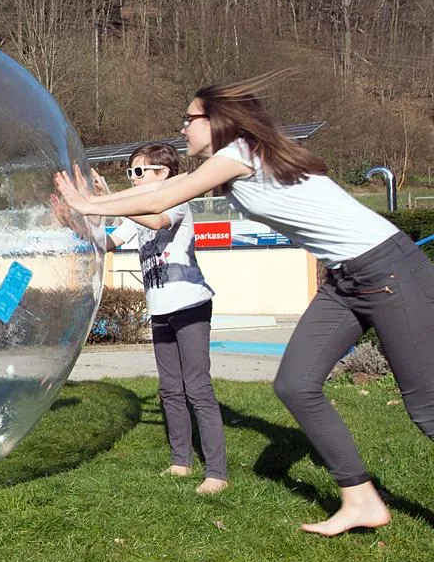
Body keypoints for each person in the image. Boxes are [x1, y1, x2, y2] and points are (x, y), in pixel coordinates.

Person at [54, 75, 434, 536]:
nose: (183, 129)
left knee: (425, 408)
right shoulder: (235, 166)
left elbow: (162, 196)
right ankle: (361, 500)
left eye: (188, 119)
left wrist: (90, 202)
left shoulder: (238, 154)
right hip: (346, 279)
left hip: (386, 270)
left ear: (215, 122)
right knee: (295, 384)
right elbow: (151, 203)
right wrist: (90, 206)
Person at [56, 144, 228, 494]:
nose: (132, 180)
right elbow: (106, 243)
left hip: (190, 304)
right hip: (160, 309)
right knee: (169, 389)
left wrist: (113, 203)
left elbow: (155, 218)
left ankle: (217, 474)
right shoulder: (138, 213)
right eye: (129, 174)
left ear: (163, 174)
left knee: (197, 387)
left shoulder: (176, 201)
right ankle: (181, 462)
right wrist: (73, 221)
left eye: (138, 173)